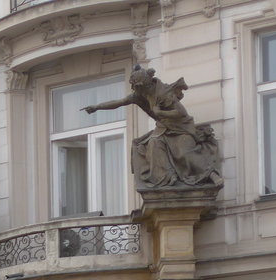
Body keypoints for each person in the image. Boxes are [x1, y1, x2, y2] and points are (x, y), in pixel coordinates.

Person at [82, 64, 221, 190]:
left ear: (147, 85)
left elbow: (181, 112)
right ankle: (167, 177)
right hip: (163, 128)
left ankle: (212, 174)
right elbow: (120, 102)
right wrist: (97, 107)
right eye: (137, 89)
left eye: (141, 88)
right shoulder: (140, 95)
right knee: (153, 144)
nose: (139, 92)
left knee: (183, 151)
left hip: (181, 127)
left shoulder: (163, 93)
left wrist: (160, 112)